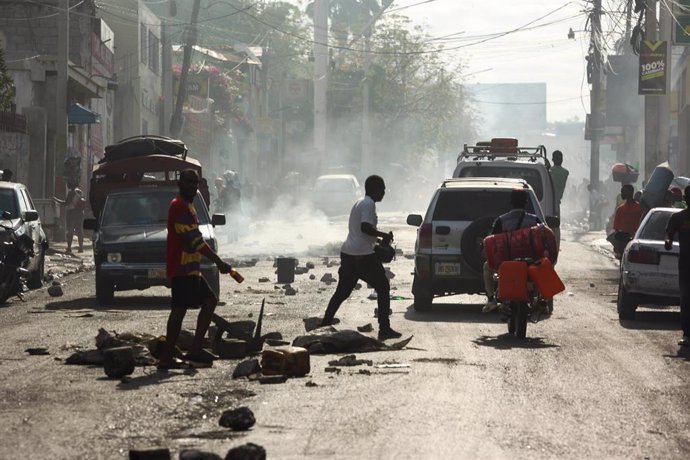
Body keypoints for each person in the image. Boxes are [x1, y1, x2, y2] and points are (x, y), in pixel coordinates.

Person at [157, 169, 233, 371]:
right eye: (189, 182)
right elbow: (194, 241)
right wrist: (218, 261)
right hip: (182, 269)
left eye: (195, 182)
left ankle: (195, 348)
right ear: (180, 183)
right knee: (178, 312)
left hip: (191, 269)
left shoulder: (189, 206)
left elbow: (196, 240)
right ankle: (166, 357)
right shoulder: (179, 207)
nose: (192, 185)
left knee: (209, 301)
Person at [320, 175, 402, 340]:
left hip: (349, 252)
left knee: (342, 292)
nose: (384, 193)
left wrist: (379, 240)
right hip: (362, 255)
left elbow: (361, 232)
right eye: (382, 189)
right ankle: (384, 328)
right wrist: (383, 234)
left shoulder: (360, 202)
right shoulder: (369, 204)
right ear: (375, 189)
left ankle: (324, 325)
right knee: (383, 287)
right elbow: (365, 228)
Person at [483, 188, 542, 313]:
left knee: (486, 267)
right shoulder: (534, 220)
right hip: (530, 260)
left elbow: (492, 241)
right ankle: (541, 300)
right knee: (543, 267)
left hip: (506, 261)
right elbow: (543, 237)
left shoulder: (502, 220)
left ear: (511, 202)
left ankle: (491, 300)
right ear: (526, 203)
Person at [664, 185, 690, 347]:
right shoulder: (678, 218)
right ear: (685, 199)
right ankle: (687, 333)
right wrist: (668, 241)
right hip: (686, 264)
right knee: (686, 299)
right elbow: (669, 233)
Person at [610, 184, 643, 259]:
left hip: (635, 239)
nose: (622, 194)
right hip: (624, 240)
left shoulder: (639, 208)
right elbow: (616, 228)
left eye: (623, 192)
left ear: (630, 193)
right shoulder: (621, 209)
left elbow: (616, 228)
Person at [53, 185, 86, 254]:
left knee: (70, 231)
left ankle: (69, 248)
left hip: (72, 213)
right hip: (80, 213)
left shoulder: (71, 193)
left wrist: (56, 199)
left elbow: (66, 203)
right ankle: (81, 247)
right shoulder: (80, 192)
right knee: (79, 230)